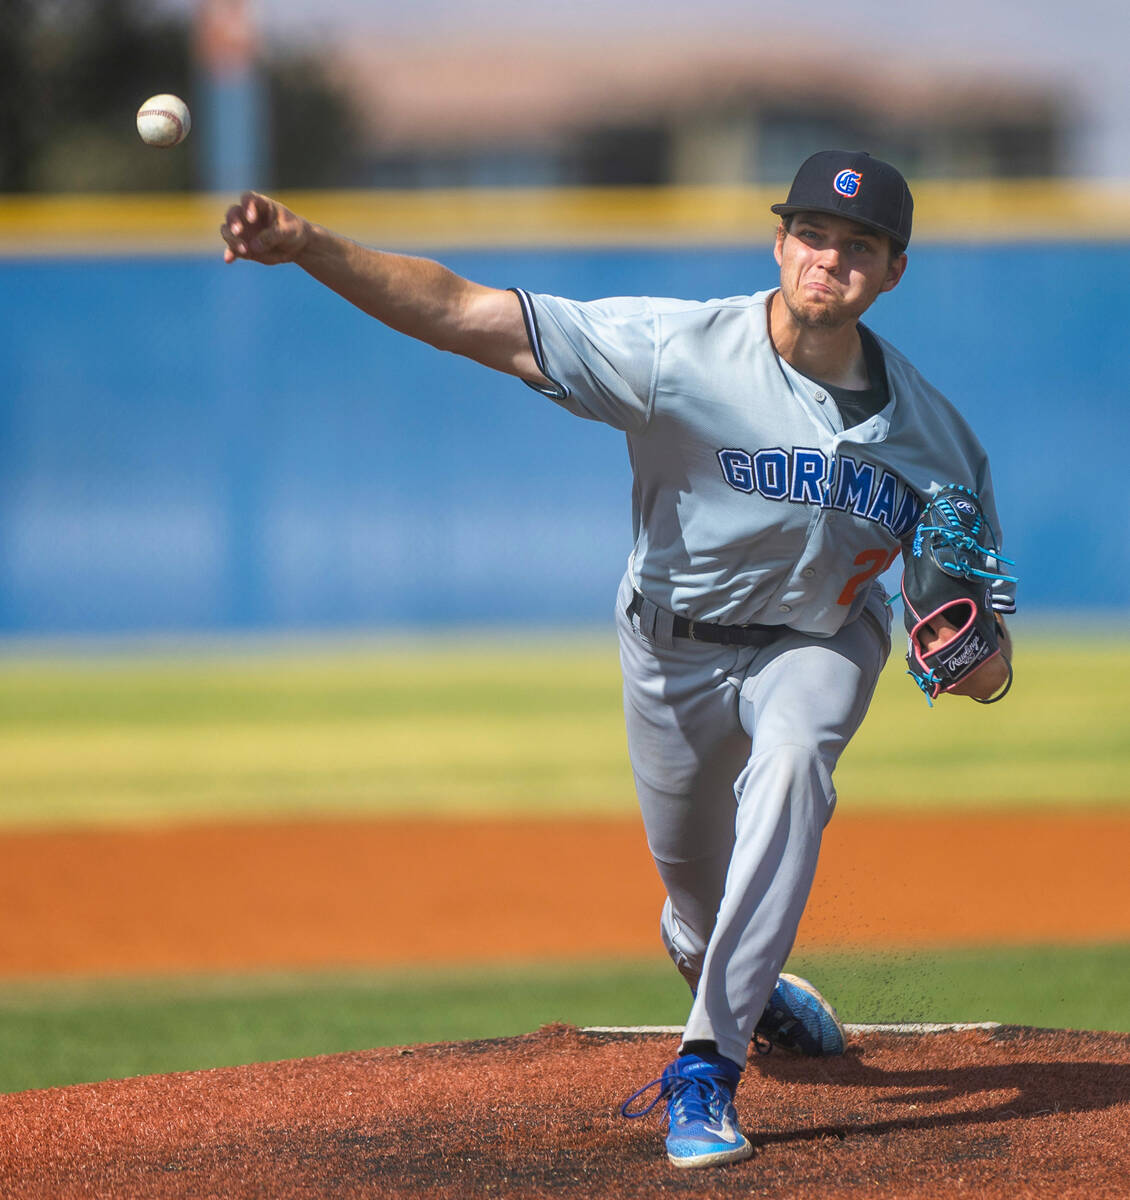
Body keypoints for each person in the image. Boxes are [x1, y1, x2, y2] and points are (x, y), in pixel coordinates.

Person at [219, 149, 1015, 1170]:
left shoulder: (938, 442)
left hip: (817, 641)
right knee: (693, 893)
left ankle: (704, 1073)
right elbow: (468, 313)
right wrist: (311, 247)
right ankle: (720, 957)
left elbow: (984, 665)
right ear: (778, 243)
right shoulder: (674, 350)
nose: (827, 258)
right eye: (810, 234)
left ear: (891, 270)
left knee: (795, 762)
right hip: (669, 653)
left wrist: (968, 654)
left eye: (856, 245)